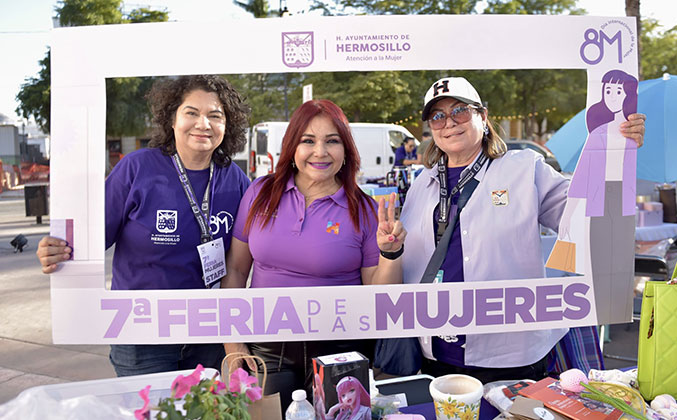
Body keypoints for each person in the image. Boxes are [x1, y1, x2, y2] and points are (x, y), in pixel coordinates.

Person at [398, 76, 645, 384]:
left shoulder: (524, 168)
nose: (448, 123)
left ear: (483, 116)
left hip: (509, 352)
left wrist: (615, 157)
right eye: (437, 116)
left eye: (460, 111)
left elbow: (587, 215)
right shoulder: (422, 183)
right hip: (435, 352)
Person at [36, 75, 251, 376]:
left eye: (215, 116)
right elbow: (90, 240)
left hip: (207, 335)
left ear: (227, 126)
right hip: (141, 335)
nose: (203, 124)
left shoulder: (236, 180)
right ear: (172, 119)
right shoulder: (137, 168)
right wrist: (56, 251)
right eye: (191, 113)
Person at [221, 99, 405, 409]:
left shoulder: (364, 209)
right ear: (292, 147)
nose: (320, 152)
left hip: (340, 350)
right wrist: (233, 345)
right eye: (308, 140)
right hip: (266, 350)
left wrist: (391, 253)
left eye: (332, 141)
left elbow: (380, 297)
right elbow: (236, 271)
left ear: (346, 150)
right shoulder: (259, 193)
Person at [559, 69, 639, 323]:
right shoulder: (598, 133)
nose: (612, 96)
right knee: (599, 261)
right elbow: (581, 177)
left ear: (627, 94)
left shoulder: (632, 134)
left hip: (623, 201)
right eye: (607, 90)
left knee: (621, 261)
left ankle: (614, 310)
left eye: (618, 90)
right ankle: (601, 312)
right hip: (599, 198)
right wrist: (567, 217)